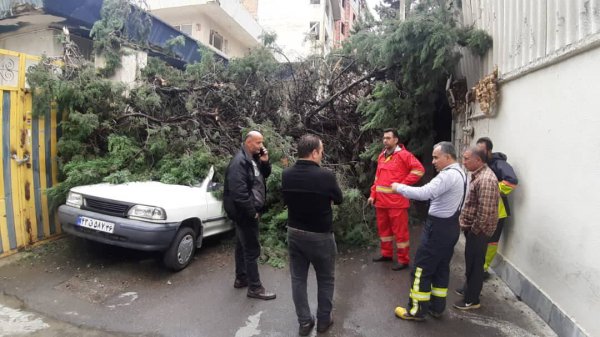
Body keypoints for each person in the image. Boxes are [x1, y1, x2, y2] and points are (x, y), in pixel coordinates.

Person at [390, 141, 466, 321]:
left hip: (438, 228)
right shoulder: (461, 173)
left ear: (448, 157)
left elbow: (424, 193)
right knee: (440, 268)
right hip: (450, 226)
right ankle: (436, 307)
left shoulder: (447, 176)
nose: (433, 161)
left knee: (421, 269)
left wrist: (398, 187)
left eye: (436, 157)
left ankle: (416, 311)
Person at [282, 134, 343, 336]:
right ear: (314, 152)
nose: (322, 155)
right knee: (326, 279)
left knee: (298, 279)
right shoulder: (325, 175)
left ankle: (304, 322)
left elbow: (287, 199)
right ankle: (324, 321)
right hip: (320, 236)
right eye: (321, 151)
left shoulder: (287, 174)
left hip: (294, 233)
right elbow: (339, 199)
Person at [223, 131, 276, 300]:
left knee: (242, 245)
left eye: (262, 143)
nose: (261, 146)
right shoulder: (239, 162)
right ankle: (255, 288)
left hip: (247, 212)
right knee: (252, 250)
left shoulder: (252, 159)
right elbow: (239, 194)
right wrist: (252, 213)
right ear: (248, 142)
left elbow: (263, 176)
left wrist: (265, 162)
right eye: (258, 143)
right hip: (245, 213)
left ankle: (241, 278)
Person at [368, 129, 425, 270]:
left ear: (396, 140)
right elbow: (377, 179)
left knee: (400, 233)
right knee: (384, 231)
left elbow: (419, 170)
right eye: (384, 138)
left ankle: (403, 260)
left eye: (388, 138)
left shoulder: (404, 155)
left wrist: (402, 185)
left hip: (397, 203)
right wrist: (372, 195)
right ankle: (386, 254)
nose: (385, 140)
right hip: (381, 202)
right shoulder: (382, 156)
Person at [454, 147, 499, 310]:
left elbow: (485, 212)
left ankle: (472, 300)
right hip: (474, 230)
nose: (463, 162)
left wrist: (474, 230)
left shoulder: (486, 179)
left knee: (475, 265)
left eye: (466, 159)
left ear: (478, 160)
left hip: (479, 232)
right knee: (471, 263)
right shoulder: (478, 175)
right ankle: (469, 291)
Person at [476, 137, 518, 279]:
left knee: (491, 242)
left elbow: (511, 181)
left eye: (482, 150)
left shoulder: (499, 163)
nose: (479, 153)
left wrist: (491, 189)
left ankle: (483, 270)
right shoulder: (482, 164)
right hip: (483, 209)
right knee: (480, 240)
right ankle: (477, 266)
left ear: (489, 150)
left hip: (498, 211)